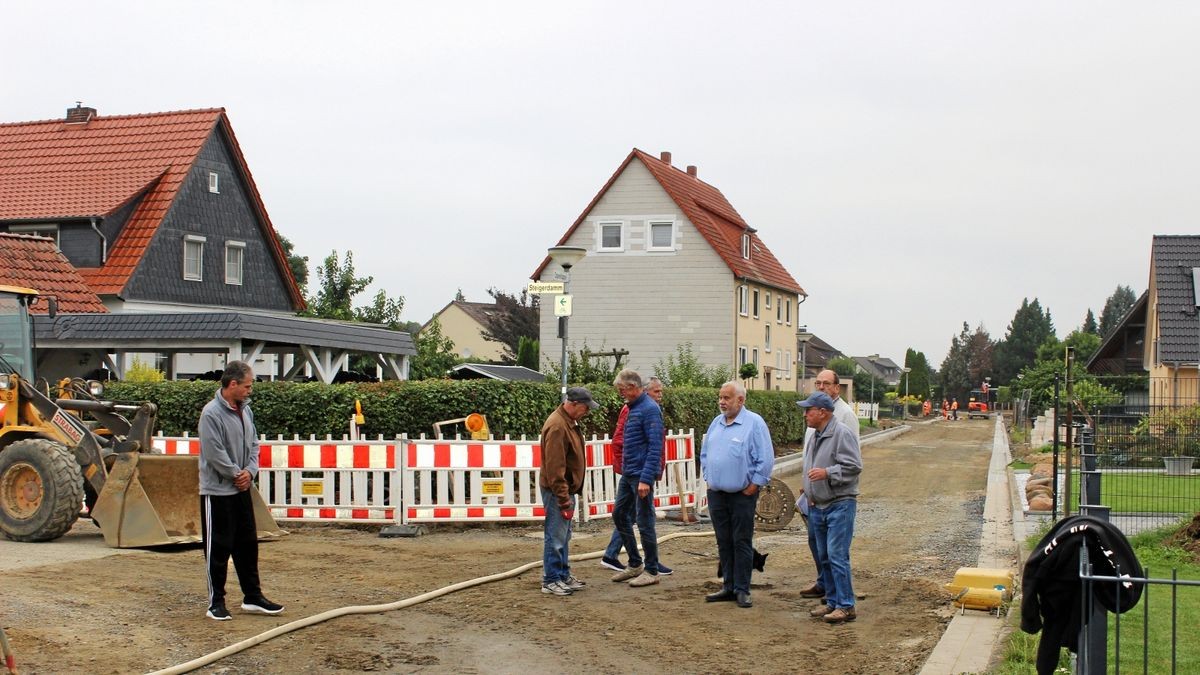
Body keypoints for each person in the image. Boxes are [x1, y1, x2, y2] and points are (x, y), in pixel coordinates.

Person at [199, 360, 283, 621]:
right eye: (247, 386)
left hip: (242, 489)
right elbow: (214, 452)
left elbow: (254, 445)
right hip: (217, 492)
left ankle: (252, 597)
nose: (250, 390)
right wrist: (237, 474)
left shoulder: (246, 411)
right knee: (218, 548)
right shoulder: (211, 414)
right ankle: (216, 603)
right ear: (232, 384)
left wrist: (250, 472)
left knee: (247, 545)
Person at [701, 381, 774, 608]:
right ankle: (728, 586)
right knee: (723, 541)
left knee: (741, 541)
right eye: (720, 397)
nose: (722, 402)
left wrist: (754, 486)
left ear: (740, 400)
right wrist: (708, 477)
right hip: (717, 494)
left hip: (742, 495)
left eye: (727, 398)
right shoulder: (716, 423)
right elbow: (705, 453)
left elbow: (765, 458)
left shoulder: (754, 423)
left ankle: (742, 589)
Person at [799, 391, 863, 624]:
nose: (805, 414)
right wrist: (808, 489)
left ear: (823, 412)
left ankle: (846, 605)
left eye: (809, 410)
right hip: (818, 504)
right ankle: (833, 601)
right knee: (824, 556)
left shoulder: (842, 434)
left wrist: (827, 473)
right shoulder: (815, 435)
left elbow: (854, 466)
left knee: (837, 555)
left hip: (839, 504)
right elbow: (810, 466)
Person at [600, 376, 672, 575]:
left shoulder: (649, 409)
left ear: (633, 387)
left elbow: (655, 446)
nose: (620, 394)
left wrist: (646, 478)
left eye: (622, 389)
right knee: (621, 515)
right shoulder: (632, 408)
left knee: (644, 520)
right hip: (630, 472)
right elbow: (622, 441)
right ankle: (634, 563)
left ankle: (651, 569)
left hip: (639, 474)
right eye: (657, 391)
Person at [538, 386, 598, 596]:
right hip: (558, 490)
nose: (587, 412)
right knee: (556, 537)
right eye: (585, 407)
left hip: (562, 489)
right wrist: (563, 498)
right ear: (573, 404)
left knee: (563, 535)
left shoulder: (566, 422)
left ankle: (561, 575)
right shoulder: (558, 426)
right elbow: (555, 468)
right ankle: (551, 579)